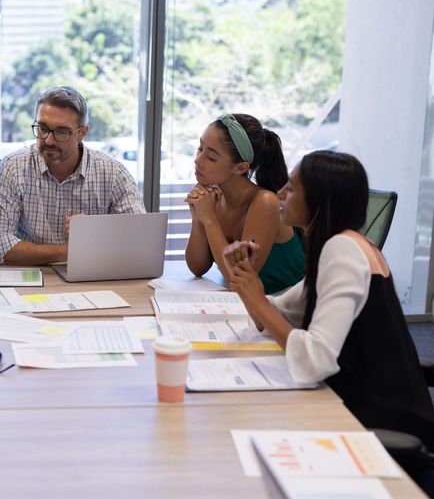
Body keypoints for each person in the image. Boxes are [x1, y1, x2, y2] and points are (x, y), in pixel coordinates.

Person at [224, 150, 434, 493]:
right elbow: (274, 312)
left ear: (318, 200)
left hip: (379, 430)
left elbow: (315, 360)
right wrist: (247, 281)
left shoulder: (343, 251)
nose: (279, 194)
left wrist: (257, 301)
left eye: (291, 189)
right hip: (358, 411)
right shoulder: (339, 247)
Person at [0, 86, 145, 265]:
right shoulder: (12, 168)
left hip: (93, 277)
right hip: (31, 279)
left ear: (82, 133)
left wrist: (97, 233)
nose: (49, 140)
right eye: (42, 128)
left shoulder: (114, 174)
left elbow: (141, 242)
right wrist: (69, 252)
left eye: (61, 132)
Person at [185, 113, 304, 294]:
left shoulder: (265, 202)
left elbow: (237, 279)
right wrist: (198, 218)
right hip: (245, 306)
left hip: (287, 309)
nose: (198, 160)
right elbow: (197, 267)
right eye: (200, 149)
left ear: (241, 168)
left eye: (211, 157)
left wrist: (209, 219)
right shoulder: (214, 198)